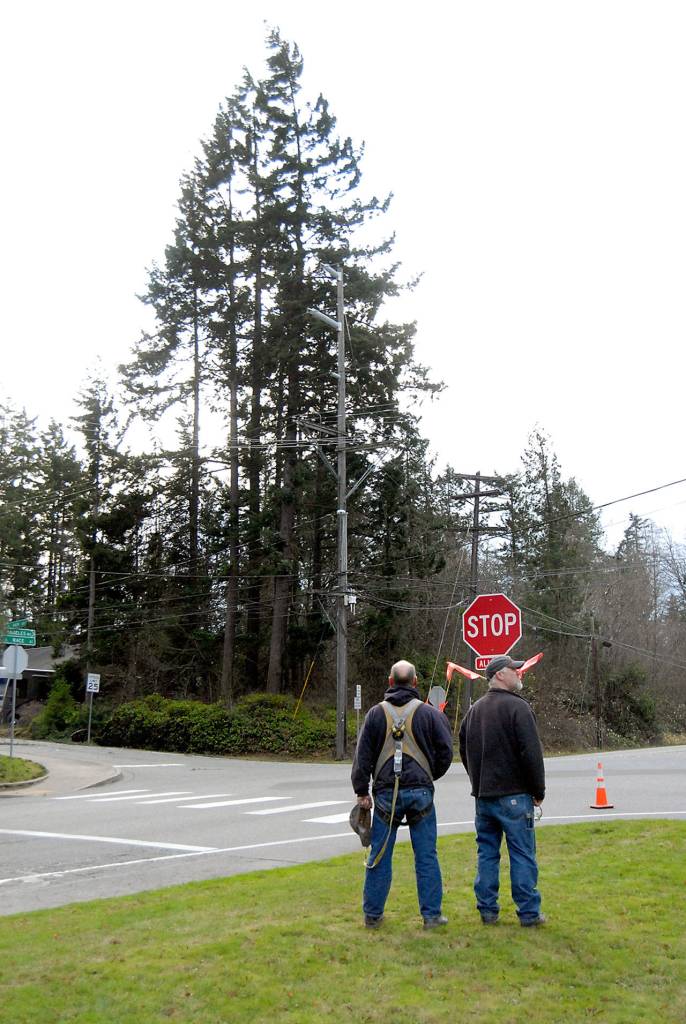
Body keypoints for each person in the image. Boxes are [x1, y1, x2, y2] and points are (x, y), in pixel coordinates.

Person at [351, 659, 454, 930]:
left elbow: (362, 757)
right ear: (416, 682)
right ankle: (432, 916)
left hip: (386, 795)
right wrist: (428, 776)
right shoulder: (431, 714)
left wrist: (362, 791)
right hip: (421, 794)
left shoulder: (375, 714)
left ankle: (373, 915)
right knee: (426, 855)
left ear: (390, 682)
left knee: (380, 854)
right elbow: (446, 752)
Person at [458, 654, 546, 927]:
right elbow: (532, 753)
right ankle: (529, 913)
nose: (519, 673)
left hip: (484, 797)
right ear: (499, 674)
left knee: (487, 854)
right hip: (515, 796)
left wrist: (477, 780)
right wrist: (538, 790)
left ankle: (487, 910)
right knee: (522, 854)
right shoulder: (519, 708)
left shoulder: (474, 711)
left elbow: (464, 750)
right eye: (514, 669)